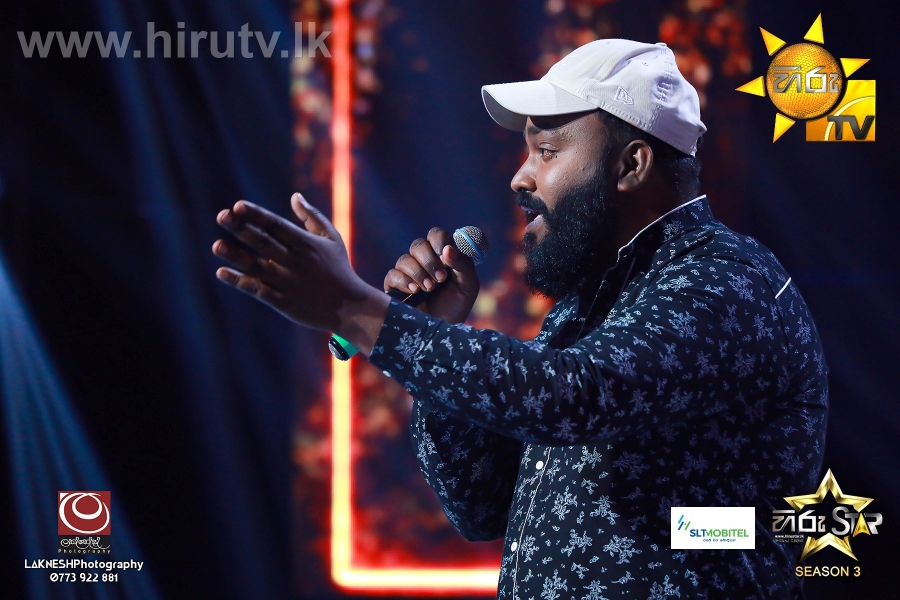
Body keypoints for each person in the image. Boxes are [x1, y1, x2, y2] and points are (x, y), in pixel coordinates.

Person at [212, 39, 828, 599]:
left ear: (632, 165)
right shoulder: (589, 306)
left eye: (547, 151)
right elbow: (480, 505)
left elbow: (577, 396)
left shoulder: (727, 280)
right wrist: (444, 332)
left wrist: (358, 311)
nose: (520, 176)